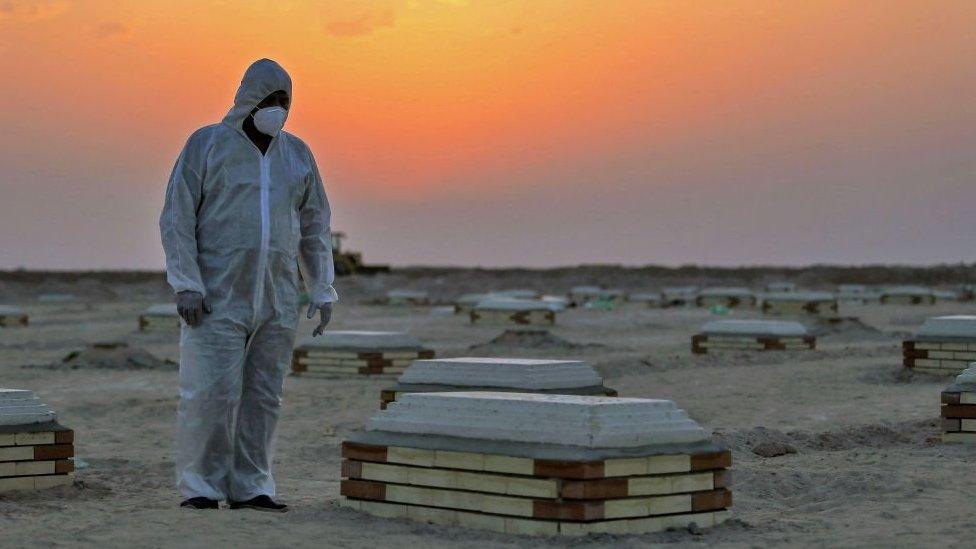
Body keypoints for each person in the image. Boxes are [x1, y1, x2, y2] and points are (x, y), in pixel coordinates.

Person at [160, 58, 337, 512]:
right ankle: (201, 485)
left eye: (285, 101)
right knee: (210, 395)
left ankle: (251, 485)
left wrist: (321, 287)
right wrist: (186, 283)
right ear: (248, 99)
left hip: (277, 298)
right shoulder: (208, 145)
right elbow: (178, 215)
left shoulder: (297, 155)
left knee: (263, 395)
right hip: (216, 297)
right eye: (271, 99)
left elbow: (315, 223)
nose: (279, 109)